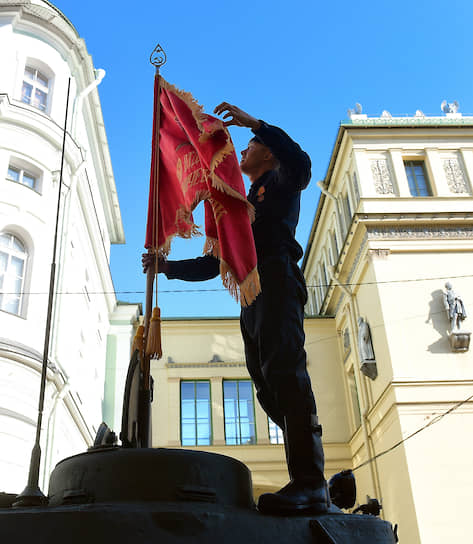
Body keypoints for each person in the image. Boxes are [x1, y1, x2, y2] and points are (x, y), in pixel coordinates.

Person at [143, 104, 330, 515]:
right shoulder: (241, 202)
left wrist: (257, 124)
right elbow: (217, 262)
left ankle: (311, 483)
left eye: (251, 145)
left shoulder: (282, 180)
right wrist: (166, 267)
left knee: (285, 375)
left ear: (269, 153)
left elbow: (301, 164)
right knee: (265, 385)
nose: (242, 151)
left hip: (277, 283)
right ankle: (309, 459)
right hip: (252, 295)